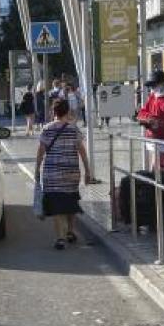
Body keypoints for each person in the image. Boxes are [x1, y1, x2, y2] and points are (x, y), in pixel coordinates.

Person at [36, 98, 94, 250]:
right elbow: (82, 152)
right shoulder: (73, 129)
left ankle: (60, 237)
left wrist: (37, 169)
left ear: (53, 112)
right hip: (71, 173)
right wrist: (88, 171)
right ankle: (70, 231)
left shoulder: (46, 129)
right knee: (70, 201)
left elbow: (40, 153)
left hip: (52, 174)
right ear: (67, 111)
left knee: (57, 206)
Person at [136, 69, 164, 175]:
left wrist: (157, 124)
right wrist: (149, 119)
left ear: (162, 83)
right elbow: (142, 112)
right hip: (154, 138)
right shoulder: (154, 96)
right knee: (155, 167)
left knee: (161, 169)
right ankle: (161, 189)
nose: (152, 88)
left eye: (154, 85)